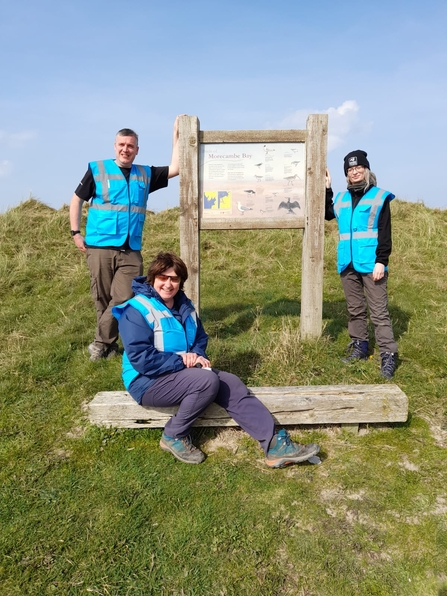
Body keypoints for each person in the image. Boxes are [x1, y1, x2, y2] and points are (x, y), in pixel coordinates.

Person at [112, 251, 320, 467]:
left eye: (174, 278)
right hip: (146, 381)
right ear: (152, 278)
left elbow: (199, 337)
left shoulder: (185, 306)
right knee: (207, 382)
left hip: (179, 373)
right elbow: (141, 358)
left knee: (231, 383)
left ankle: (275, 446)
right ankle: (174, 435)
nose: (168, 284)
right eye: (162, 277)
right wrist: (182, 360)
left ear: (181, 281)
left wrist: (198, 356)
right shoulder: (136, 310)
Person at [69, 117, 182, 361]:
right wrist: (75, 232)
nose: (125, 149)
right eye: (122, 144)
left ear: (137, 150)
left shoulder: (145, 174)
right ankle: (109, 347)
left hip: (131, 249)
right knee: (102, 298)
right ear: (115, 146)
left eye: (130, 146)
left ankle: (99, 344)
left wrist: (177, 136)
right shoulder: (98, 169)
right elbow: (77, 199)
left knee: (124, 297)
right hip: (99, 246)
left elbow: (176, 168)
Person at [325, 150, 398, 379]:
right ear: (346, 174)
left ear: (366, 170)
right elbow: (327, 214)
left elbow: (385, 233)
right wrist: (328, 188)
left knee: (379, 313)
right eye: (350, 169)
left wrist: (381, 261)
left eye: (358, 168)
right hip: (347, 263)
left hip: (371, 263)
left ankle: (388, 354)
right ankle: (360, 346)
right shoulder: (341, 198)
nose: (354, 172)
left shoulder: (379, 197)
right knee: (355, 310)